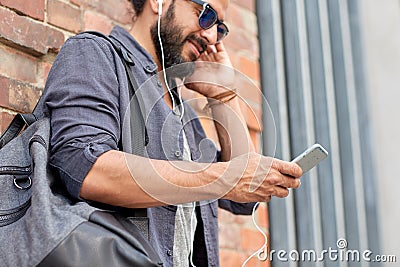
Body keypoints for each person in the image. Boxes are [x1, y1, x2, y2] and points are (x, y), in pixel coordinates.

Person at [37, 0, 302, 266]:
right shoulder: (96, 54)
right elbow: (86, 168)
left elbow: (245, 196)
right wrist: (224, 177)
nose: (211, 37)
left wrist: (224, 95)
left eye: (219, 28)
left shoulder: (181, 111)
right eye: (205, 15)